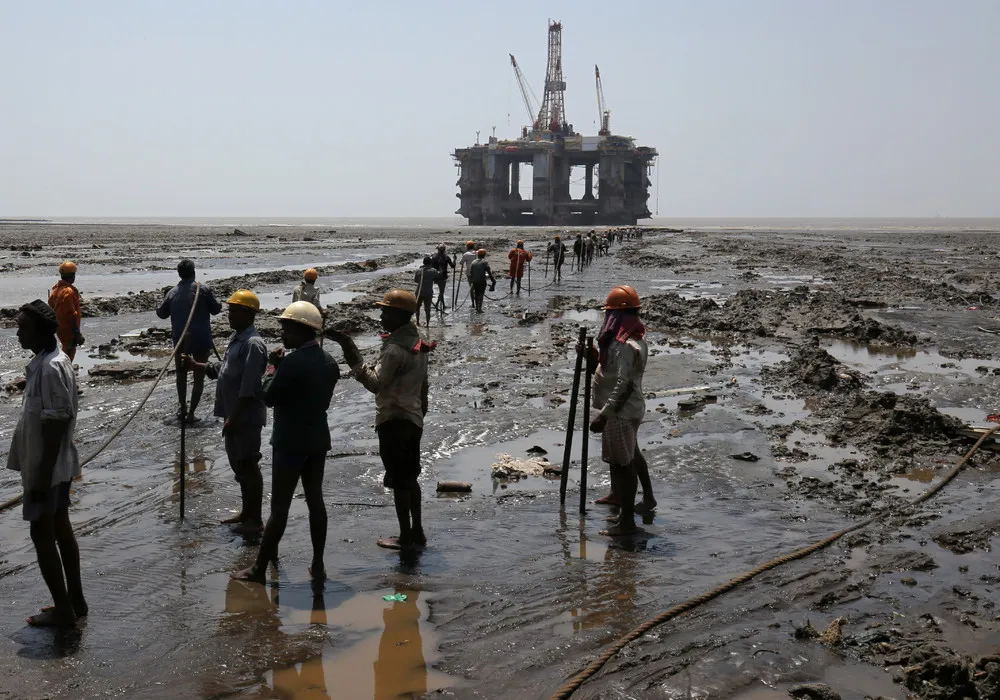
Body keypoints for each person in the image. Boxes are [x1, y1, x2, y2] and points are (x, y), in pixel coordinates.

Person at [232, 301, 339, 583]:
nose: (283, 335)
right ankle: (318, 564)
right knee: (316, 501)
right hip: (317, 439)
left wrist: (272, 369)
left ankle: (259, 569)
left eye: (286, 329)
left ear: (302, 330)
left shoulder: (291, 363)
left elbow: (268, 397)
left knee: (280, 507)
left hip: (290, 440)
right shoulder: (329, 362)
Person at [329, 289, 432, 551]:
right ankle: (416, 531)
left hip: (393, 420)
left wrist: (353, 356)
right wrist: (421, 412)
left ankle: (405, 536)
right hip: (412, 418)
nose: (381, 315)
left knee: (399, 481)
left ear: (398, 315)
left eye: (385, 310)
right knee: (410, 478)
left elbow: (376, 385)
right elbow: (423, 386)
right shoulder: (418, 344)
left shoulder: (395, 350)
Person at [7, 300, 86, 626]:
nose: (17, 331)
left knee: (43, 536)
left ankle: (64, 610)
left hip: (48, 469)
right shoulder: (48, 361)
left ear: (40, 330)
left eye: (23, 326)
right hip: (54, 466)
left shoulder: (52, 367)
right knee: (61, 528)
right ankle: (75, 601)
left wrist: (40, 477)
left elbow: (56, 422)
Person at [185, 290, 268, 533]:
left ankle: (255, 520)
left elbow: (249, 387)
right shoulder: (237, 339)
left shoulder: (253, 344)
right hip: (233, 415)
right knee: (240, 467)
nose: (229, 315)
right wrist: (195, 365)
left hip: (245, 416)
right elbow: (224, 369)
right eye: (229, 310)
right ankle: (246, 512)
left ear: (248, 313)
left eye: (234, 311)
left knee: (249, 465)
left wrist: (235, 417)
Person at [584, 285, 655, 537]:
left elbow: (624, 385)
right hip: (623, 410)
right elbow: (609, 372)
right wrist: (592, 359)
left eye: (610, 315)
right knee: (627, 456)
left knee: (624, 464)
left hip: (620, 412)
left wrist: (604, 415)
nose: (607, 320)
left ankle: (626, 522)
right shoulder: (620, 341)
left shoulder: (626, 344)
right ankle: (621, 497)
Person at [156, 259, 222, 424]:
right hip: (201, 340)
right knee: (198, 377)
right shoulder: (203, 289)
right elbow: (216, 309)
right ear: (194, 272)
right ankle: (191, 413)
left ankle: (182, 408)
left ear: (179, 274)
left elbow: (161, 314)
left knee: (181, 375)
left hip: (181, 341)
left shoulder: (172, 293)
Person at [48, 261, 85, 361]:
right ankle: (64, 373)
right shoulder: (68, 292)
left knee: (66, 348)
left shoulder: (57, 289)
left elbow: (51, 304)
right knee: (69, 352)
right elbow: (71, 314)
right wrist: (77, 333)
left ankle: (63, 372)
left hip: (60, 326)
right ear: (73, 276)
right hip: (68, 328)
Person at [413, 256, 439, 326]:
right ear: (430, 263)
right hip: (428, 292)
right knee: (427, 309)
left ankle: (418, 322)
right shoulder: (434, 271)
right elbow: (437, 280)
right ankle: (427, 324)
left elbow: (415, 280)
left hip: (419, 292)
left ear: (423, 262)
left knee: (417, 308)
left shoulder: (419, 270)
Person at [429, 244, 455, 311]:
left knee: (441, 291)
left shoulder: (434, 257)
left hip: (436, 276)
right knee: (441, 291)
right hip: (443, 276)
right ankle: (438, 304)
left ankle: (442, 305)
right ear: (444, 250)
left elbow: (431, 267)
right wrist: (454, 260)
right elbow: (453, 266)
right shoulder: (446, 257)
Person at [469, 249, 495, 313]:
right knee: (481, 294)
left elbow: (471, 273)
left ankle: (476, 307)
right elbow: (489, 272)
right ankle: (479, 308)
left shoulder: (473, 262)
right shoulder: (484, 262)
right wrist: (493, 280)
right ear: (484, 255)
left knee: (476, 293)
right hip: (482, 281)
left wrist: (473, 280)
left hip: (475, 281)